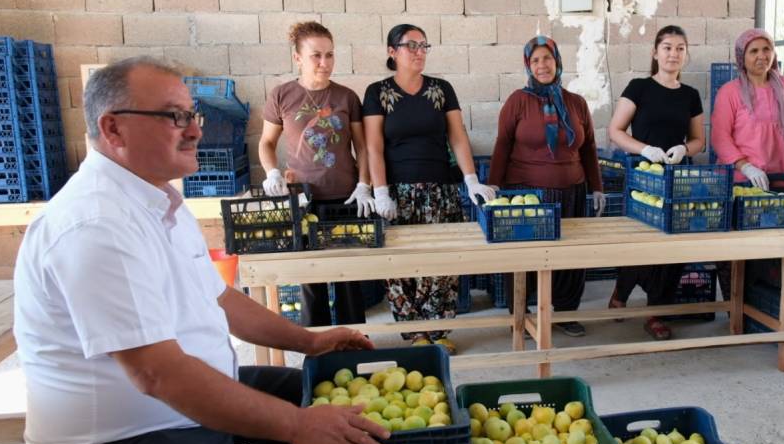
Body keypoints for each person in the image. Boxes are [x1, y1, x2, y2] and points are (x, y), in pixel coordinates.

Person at [13, 57, 389, 444]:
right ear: (114, 129)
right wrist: (296, 427)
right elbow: (157, 375)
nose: (193, 130)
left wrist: (310, 342)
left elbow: (220, 299)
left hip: (174, 409)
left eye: (193, 115)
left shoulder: (158, 201)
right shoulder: (94, 224)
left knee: (307, 391)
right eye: (174, 116)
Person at [363, 24, 495, 354]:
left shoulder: (441, 89)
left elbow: (458, 136)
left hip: (441, 191)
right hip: (397, 195)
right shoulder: (377, 92)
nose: (419, 51)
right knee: (400, 264)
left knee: (441, 261)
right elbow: (373, 147)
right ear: (392, 52)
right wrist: (380, 191)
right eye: (411, 45)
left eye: (424, 45)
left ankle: (437, 330)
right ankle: (414, 333)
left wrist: (470, 179)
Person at [259, 21, 373, 330]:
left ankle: (354, 342)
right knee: (311, 281)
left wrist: (365, 185)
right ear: (298, 57)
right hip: (304, 200)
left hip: (346, 199)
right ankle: (317, 348)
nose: (325, 63)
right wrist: (272, 173)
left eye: (330, 55)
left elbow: (363, 148)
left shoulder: (347, 97)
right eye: (316, 55)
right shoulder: (282, 95)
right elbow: (267, 143)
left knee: (349, 279)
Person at [489, 35, 605, 337]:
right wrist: (493, 187)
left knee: (569, 257)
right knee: (526, 256)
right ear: (528, 65)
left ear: (558, 62)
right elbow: (502, 146)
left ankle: (566, 312)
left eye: (547, 58)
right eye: (536, 60)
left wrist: (597, 187)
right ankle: (522, 312)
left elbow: (589, 148)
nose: (542, 65)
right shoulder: (518, 101)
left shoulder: (576, 103)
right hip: (528, 196)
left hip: (572, 193)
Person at [606, 25, 707, 340]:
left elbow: (698, 139)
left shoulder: (690, 95)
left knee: (672, 246)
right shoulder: (639, 87)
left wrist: (684, 149)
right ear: (655, 52)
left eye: (680, 48)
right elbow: (616, 131)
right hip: (643, 177)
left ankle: (655, 312)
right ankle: (621, 291)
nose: (673, 53)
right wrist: (644, 149)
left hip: (676, 178)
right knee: (640, 242)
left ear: (685, 54)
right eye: (667, 47)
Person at [710, 27, 784, 300]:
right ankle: (737, 306)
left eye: (766, 49)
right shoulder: (730, 92)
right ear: (742, 58)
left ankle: (765, 306)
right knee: (741, 251)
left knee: (772, 253)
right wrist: (745, 166)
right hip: (743, 184)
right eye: (753, 51)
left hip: (779, 182)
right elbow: (720, 137)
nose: (761, 56)